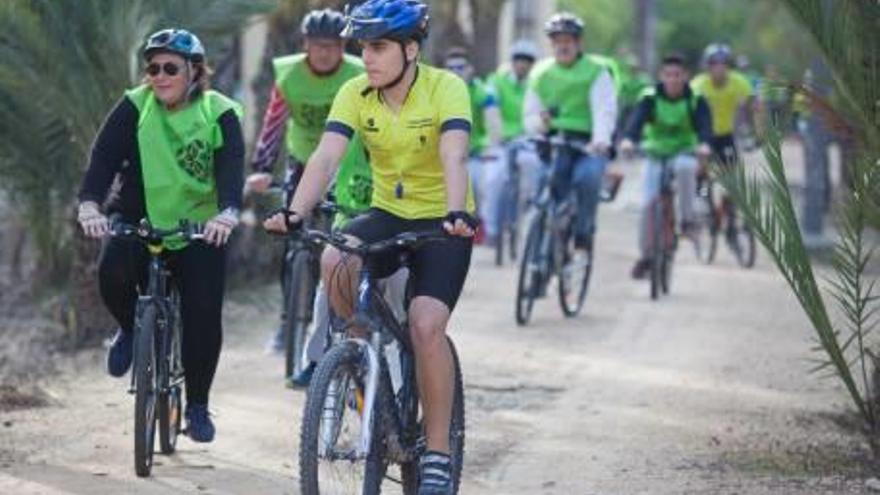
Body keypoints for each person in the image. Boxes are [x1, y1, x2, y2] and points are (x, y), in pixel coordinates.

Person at [264, 1, 475, 492]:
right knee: (335, 257)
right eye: (364, 47)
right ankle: (361, 368)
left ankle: (438, 452)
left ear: (410, 49)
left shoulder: (447, 87)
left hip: (444, 220)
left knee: (425, 327)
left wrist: (455, 210)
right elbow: (326, 155)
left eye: (378, 47)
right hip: (386, 211)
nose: (368, 57)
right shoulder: (355, 92)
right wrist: (295, 210)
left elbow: (454, 151)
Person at [76, 29, 244, 443]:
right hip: (139, 212)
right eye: (153, 68)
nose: (161, 76)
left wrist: (227, 213)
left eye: (171, 68)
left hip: (200, 226)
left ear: (195, 71)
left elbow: (230, 169)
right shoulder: (135, 105)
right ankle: (131, 328)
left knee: (203, 313)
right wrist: (89, 205)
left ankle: (199, 405)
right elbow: (103, 159)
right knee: (112, 269)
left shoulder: (219, 111)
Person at [245, 9, 372, 362]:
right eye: (317, 46)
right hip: (303, 159)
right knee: (294, 247)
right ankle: (287, 322)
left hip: (347, 162)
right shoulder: (290, 76)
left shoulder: (360, 74)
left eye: (332, 46)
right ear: (304, 45)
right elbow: (273, 123)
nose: (324, 53)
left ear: (344, 46)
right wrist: (261, 167)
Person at [523, 12, 618, 256]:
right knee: (544, 183)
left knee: (587, 178)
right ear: (551, 44)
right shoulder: (540, 73)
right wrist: (538, 124)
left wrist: (600, 140)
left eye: (568, 41)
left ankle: (583, 233)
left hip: (586, 144)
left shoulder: (596, 71)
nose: (562, 46)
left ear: (578, 43)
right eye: (557, 41)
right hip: (553, 142)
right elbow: (530, 114)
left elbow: (603, 110)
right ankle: (539, 251)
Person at [619, 54, 713, 279]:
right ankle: (646, 255)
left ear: (685, 77)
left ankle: (687, 220)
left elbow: (704, 127)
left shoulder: (695, 99)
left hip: (684, 151)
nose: (673, 80)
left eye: (677, 75)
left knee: (685, 168)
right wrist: (629, 139)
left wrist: (704, 145)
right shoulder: (650, 97)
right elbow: (635, 122)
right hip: (655, 153)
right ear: (661, 76)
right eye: (668, 75)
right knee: (647, 206)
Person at [485, 40, 542, 239]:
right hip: (501, 141)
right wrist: (497, 135)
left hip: (528, 141)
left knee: (533, 175)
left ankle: (525, 215)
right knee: (493, 180)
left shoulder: (537, 85)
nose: (522, 64)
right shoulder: (496, 81)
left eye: (527, 60)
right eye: (519, 59)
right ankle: (492, 230)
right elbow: (491, 109)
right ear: (512, 61)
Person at [691, 43, 755, 166]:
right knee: (698, 168)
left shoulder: (739, 82)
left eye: (723, 62)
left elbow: (753, 104)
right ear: (707, 65)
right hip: (703, 135)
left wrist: (753, 130)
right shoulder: (697, 84)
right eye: (714, 62)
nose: (719, 67)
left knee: (732, 171)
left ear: (729, 65)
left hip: (726, 134)